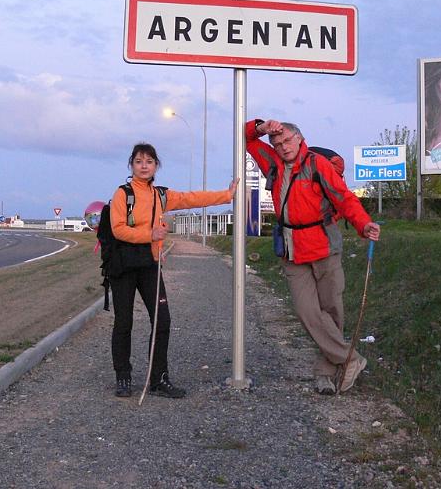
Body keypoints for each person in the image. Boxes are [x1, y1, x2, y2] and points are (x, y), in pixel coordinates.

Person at [246, 119, 381, 395]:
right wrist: (261, 127)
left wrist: (363, 224)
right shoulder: (271, 162)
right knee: (306, 311)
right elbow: (246, 139)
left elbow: (344, 198)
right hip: (292, 250)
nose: (283, 147)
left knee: (332, 311)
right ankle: (350, 359)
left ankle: (325, 374)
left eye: (287, 140)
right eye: (277, 143)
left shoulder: (317, 164)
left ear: (299, 138)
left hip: (324, 247)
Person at [109, 142, 237, 399]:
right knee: (124, 322)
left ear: (156, 166)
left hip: (150, 265)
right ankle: (123, 377)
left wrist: (227, 195)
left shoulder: (161, 195)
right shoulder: (123, 194)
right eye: (138, 161)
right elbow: (118, 229)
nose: (144, 166)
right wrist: (150, 234)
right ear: (131, 165)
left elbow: (191, 198)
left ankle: (158, 379)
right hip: (123, 266)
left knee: (162, 320)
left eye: (149, 161)